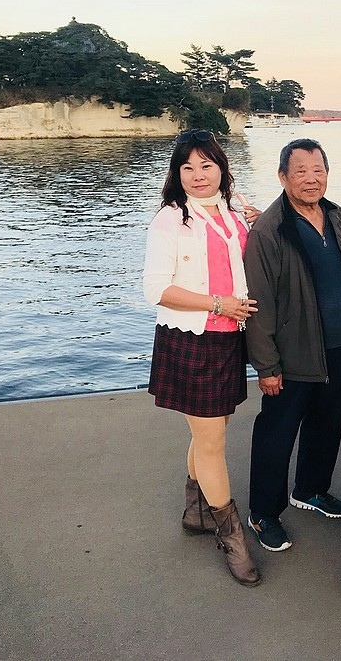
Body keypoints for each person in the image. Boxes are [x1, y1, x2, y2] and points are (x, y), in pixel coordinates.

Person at [243, 138, 341, 552]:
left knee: (326, 425)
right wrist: (267, 366)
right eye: (301, 172)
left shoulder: (336, 215)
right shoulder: (270, 230)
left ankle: (310, 489)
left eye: (318, 170)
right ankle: (263, 513)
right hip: (292, 353)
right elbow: (258, 303)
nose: (311, 179)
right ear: (283, 177)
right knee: (276, 435)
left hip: (339, 347)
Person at [142, 128, 262, 587]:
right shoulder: (171, 219)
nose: (197, 175)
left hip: (231, 338)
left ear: (221, 169)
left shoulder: (233, 213)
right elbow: (156, 289)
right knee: (212, 441)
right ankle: (232, 537)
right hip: (191, 339)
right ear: (177, 173)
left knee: (211, 429)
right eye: (187, 167)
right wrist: (217, 304)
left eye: (206, 165)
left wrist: (260, 222)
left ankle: (195, 510)